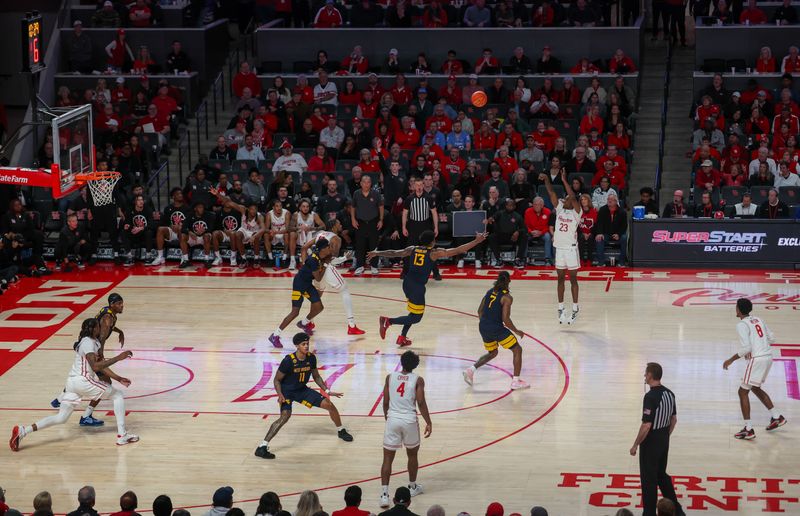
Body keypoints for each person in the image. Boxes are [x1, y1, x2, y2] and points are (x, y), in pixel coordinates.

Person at [10, 318, 138, 451]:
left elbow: (100, 366)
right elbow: (95, 366)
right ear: (94, 329)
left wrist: (118, 378)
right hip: (83, 381)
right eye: (98, 326)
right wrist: (118, 357)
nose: (100, 328)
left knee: (61, 418)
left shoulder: (94, 342)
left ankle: (23, 431)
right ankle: (122, 435)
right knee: (117, 395)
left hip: (72, 383)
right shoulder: (88, 343)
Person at [369, 231, 487, 347]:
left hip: (407, 283)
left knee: (413, 311)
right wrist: (476, 241)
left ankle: (402, 337)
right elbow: (458, 250)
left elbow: (394, 253)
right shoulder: (433, 253)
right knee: (416, 318)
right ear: (433, 242)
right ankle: (388, 321)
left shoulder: (412, 249)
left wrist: (377, 252)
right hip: (417, 287)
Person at [254, 332, 354, 459]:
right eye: (303, 344)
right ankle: (262, 447)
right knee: (285, 416)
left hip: (302, 390)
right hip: (287, 392)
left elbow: (316, 376)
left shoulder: (311, 358)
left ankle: (341, 430)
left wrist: (327, 391)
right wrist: (280, 395)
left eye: (307, 343)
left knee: (329, 405)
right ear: (297, 346)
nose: (307, 346)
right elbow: (276, 380)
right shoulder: (288, 360)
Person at [722, 298, 787, 440]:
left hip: (757, 359)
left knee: (742, 392)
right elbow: (772, 338)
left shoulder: (741, 325)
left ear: (738, 309)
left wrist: (730, 360)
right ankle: (776, 417)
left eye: (736, 307)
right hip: (768, 357)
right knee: (755, 387)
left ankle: (748, 429)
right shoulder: (758, 319)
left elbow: (747, 348)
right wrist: (760, 345)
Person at [629, 363, 685, 516]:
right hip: (664, 440)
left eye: (645, 373)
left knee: (649, 480)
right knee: (661, 475)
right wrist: (665, 436)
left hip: (651, 442)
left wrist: (635, 445)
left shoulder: (650, 397)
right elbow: (673, 420)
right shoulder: (670, 393)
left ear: (650, 375)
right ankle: (678, 511)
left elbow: (646, 425)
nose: (644, 376)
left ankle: (648, 513)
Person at [379, 350, 432, 508]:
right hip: (409, 420)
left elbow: (385, 402)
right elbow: (421, 403)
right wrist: (428, 422)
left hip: (393, 419)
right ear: (416, 365)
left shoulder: (390, 377)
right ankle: (413, 486)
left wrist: (387, 417)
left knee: (388, 458)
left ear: (401, 362)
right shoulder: (418, 380)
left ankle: (384, 494)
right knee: (412, 454)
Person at [463, 271, 528, 389]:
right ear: (509, 281)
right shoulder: (507, 298)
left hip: (483, 326)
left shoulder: (489, 292)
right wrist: (517, 331)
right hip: (496, 328)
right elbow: (506, 319)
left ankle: (470, 370)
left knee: (493, 352)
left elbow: (479, 311)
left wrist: (486, 323)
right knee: (517, 349)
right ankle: (515, 381)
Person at [299, 219, 364, 335]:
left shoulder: (320, 234)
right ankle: (351, 325)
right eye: (339, 223)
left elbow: (304, 248)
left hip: (315, 268)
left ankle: (308, 322)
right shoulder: (336, 239)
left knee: (317, 297)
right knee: (344, 290)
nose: (341, 225)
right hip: (325, 268)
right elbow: (331, 260)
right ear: (334, 226)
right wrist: (345, 258)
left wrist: (306, 266)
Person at [267, 239, 332, 347]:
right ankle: (275, 335)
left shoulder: (322, 256)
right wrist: (325, 265)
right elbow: (319, 278)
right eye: (328, 247)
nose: (330, 248)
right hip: (299, 284)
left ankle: (303, 323)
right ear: (323, 249)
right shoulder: (313, 260)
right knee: (295, 312)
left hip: (307, 284)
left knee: (319, 307)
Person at [541, 171, 581, 324]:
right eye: (564, 199)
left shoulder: (577, 213)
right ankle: (560, 307)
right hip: (560, 250)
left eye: (568, 198)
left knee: (573, 279)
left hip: (571, 250)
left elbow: (571, 195)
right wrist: (546, 179)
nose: (565, 199)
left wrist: (564, 180)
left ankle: (575, 307)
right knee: (559, 279)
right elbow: (550, 192)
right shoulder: (559, 209)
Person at [594, 194, 627, 266]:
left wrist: (619, 234)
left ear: (616, 201)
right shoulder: (602, 210)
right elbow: (599, 223)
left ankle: (622, 262)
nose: (609, 201)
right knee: (599, 238)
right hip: (606, 233)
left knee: (624, 238)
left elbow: (624, 226)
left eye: (611, 199)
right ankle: (601, 262)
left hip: (617, 234)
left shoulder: (622, 212)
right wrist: (599, 233)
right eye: (608, 199)